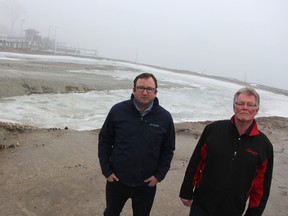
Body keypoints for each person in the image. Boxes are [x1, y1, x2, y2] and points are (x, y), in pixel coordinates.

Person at [179, 87, 274, 216]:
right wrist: (186, 190)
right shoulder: (213, 129)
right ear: (234, 107)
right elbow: (196, 162)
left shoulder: (264, 145)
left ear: (256, 110)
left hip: (233, 210)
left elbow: (261, 187)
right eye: (240, 103)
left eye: (250, 104)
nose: (244, 107)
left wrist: (253, 213)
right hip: (202, 205)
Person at [98, 72, 175, 216]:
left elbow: (168, 149)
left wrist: (159, 175)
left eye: (149, 89)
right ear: (133, 90)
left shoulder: (165, 118)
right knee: (111, 213)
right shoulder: (118, 111)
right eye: (141, 88)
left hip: (146, 184)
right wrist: (106, 170)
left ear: (155, 92)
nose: (145, 92)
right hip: (117, 180)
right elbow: (104, 140)